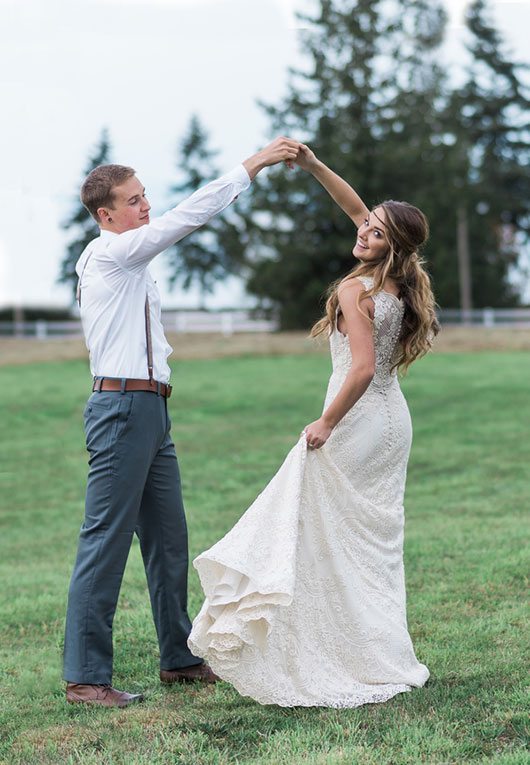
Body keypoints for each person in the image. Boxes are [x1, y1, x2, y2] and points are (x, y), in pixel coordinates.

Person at [188, 144, 439, 708]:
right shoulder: (398, 280)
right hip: (393, 422)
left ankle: (337, 655)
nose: (363, 232)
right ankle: (376, 652)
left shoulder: (356, 289)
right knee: (366, 544)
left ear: (389, 244)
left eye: (374, 232)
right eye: (367, 223)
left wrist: (326, 421)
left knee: (317, 531)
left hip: (356, 417)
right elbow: (355, 207)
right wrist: (314, 165)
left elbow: (363, 367)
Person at [63, 136, 301, 708]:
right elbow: (185, 219)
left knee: (169, 540)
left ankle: (179, 657)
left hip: (150, 409)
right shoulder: (110, 254)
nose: (146, 206)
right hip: (120, 411)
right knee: (106, 541)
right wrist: (251, 166)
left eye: (146, 196)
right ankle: (85, 677)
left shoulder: (132, 265)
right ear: (106, 214)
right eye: (135, 200)